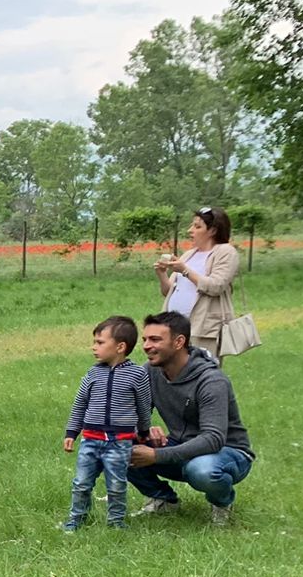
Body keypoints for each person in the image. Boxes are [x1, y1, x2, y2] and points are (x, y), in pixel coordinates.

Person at [127, 311, 253, 525]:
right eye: (145, 339)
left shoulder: (211, 380)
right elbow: (130, 413)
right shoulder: (150, 371)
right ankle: (163, 500)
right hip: (181, 445)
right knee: (114, 445)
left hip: (227, 452)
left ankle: (222, 503)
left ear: (179, 342)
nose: (146, 346)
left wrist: (158, 455)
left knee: (202, 470)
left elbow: (213, 439)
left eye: (155, 339)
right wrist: (144, 430)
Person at [60, 316, 152, 532]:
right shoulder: (93, 373)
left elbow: (143, 406)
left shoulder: (137, 374)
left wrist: (144, 431)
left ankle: (116, 522)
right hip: (90, 440)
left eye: (100, 342)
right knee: (81, 483)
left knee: (117, 485)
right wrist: (72, 432)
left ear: (120, 347)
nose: (94, 347)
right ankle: (76, 519)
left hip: (119, 443)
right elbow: (80, 404)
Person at [154, 207, 241, 355]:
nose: (190, 230)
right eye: (192, 225)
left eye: (197, 226)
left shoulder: (226, 252)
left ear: (212, 231)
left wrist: (185, 271)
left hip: (203, 329)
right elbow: (168, 291)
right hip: (173, 326)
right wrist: (161, 274)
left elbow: (216, 286)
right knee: (171, 372)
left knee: (200, 372)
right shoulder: (189, 254)